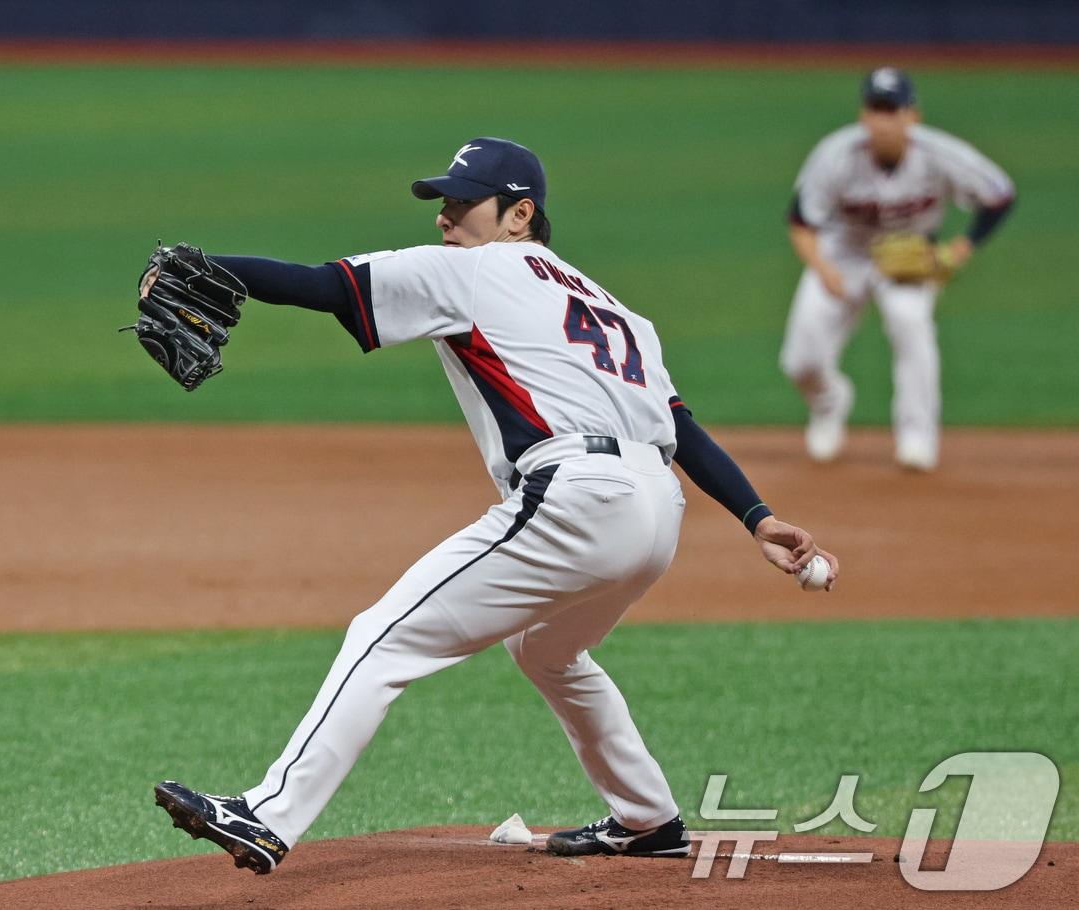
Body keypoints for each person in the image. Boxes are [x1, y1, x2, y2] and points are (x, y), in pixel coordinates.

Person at [153, 137, 840, 874]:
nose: (446, 219)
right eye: (443, 204)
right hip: (655, 511)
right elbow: (683, 428)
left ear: (520, 215)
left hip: (577, 497)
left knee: (382, 636)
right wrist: (757, 516)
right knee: (547, 648)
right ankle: (647, 819)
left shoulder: (471, 271)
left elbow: (324, 285)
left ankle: (267, 814)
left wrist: (213, 270)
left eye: (462, 203)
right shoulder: (617, 310)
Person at [780, 67, 1015, 471]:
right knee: (800, 360)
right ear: (863, 115)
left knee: (911, 325)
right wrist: (822, 268)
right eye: (876, 108)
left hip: (908, 260)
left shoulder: (941, 154)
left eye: (892, 109)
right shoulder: (835, 155)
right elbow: (801, 221)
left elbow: (999, 195)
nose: (883, 120)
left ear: (912, 115)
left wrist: (960, 249)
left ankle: (917, 437)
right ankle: (829, 401)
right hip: (842, 253)